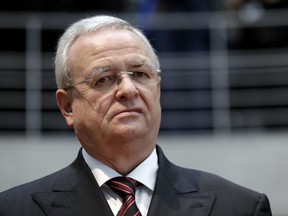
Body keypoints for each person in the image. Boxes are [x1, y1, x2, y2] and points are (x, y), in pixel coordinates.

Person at [0, 15, 272, 216]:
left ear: (158, 90)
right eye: (104, 79)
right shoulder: (13, 209)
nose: (128, 90)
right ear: (67, 106)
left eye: (141, 75)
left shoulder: (241, 207)